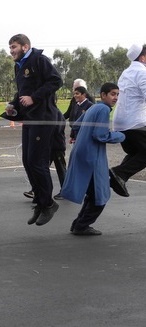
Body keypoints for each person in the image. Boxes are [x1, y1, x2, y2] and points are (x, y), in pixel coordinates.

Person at [2, 34, 63, 226]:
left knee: (37, 162)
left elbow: (55, 81)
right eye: (10, 47)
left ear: (25, 47)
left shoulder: (39, 60)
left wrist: (34, 98)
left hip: (43, 118)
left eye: (14, 47)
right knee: (27, 161)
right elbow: (22, 93)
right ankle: (40, 201)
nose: (11, 51)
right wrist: (13, 105)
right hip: (30, 118)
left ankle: (48, 204)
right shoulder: (18, 66)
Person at [61, 83, 125, 235]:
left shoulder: (93, 107)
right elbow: (100, 135)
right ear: (103, 95)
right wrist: (120, 135)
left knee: (92, 193)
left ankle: (79, 224)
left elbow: (76, 125)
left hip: (81, 152)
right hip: (92, 157)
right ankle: (81, 226)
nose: (115, 97)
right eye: (112, 94)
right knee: (100, 196)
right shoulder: (103, 109)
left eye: (117, 94)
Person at [110, 44, 146, 198]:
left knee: (135, 152)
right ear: (143, 57)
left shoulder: (125, 72)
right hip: (135, 122)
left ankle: (117, 176)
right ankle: (118, 174)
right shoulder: (142, 72)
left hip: (120, 122)